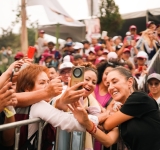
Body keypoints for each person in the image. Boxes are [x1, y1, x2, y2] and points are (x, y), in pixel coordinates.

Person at [69, 67, 160, 150]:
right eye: (108, 84)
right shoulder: (122, 113)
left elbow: (107, 124)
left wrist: (105, 115)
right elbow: (108, 141)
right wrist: (87, 123)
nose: (111, 87)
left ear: (130, 82)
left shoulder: (139, 98)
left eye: (115, 81)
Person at [15, 64, 98, 149]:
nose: (48, 86)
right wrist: (95, 119)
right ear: (27, 87)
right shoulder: (38, 105)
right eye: (42, 83)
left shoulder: (19, 103)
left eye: (48, 82)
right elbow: (71, 123)